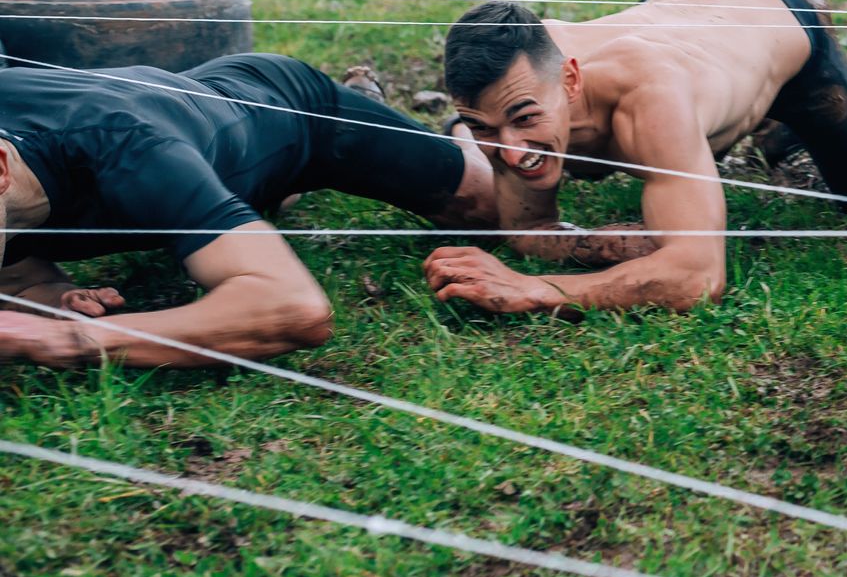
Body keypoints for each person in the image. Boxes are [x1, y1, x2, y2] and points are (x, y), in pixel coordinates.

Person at [421, 0, 847, 315]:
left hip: (782, 8)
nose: (511, 154)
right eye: (480, 127)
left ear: (571, 82)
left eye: (524, 119)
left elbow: (697, 278)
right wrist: (602, 244)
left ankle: (778, 123)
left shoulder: (648, 94)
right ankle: (764, 127)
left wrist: (535, 289)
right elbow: (526, 228)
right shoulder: (521, 80)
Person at [0, 53, 493, 368]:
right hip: (196, 129)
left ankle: (460, 134)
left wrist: (69, 340)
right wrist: (48, 294)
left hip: (292, 111)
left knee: (481, 204)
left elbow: (294, 309)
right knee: (260, 198)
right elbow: (20, 274)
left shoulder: (125, 146)